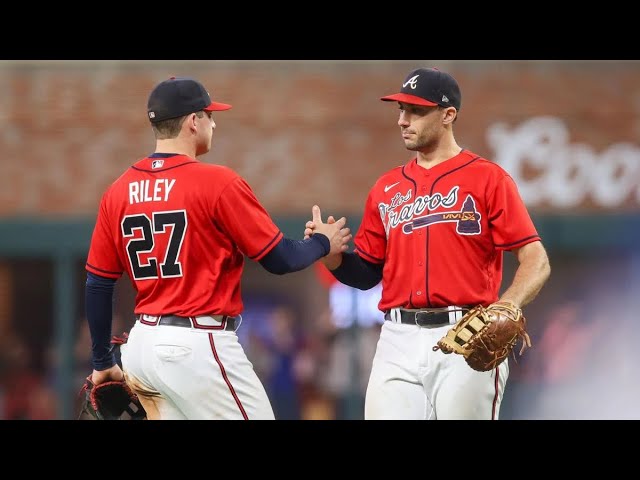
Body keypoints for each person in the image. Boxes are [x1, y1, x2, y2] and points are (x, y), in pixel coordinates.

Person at [84, 76, 351, 420]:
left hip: (141, 345)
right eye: (209, 115)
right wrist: (322, 242)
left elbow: (98, 283)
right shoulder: (217, 183)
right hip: (198, 344)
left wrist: (102, 362)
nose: (214, 122)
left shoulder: (118, 190)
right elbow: (279, 258)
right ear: (193, 121)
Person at [305, 67, 551, 420]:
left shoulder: (488, 179)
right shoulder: (386, 188)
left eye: (417, 111)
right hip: (396, 337)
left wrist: (506, 305)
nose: (404, 120)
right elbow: (366, 274)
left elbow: (536, 259)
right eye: (401, 110)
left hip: (465, 332)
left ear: (448, 114)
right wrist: (333, 258)